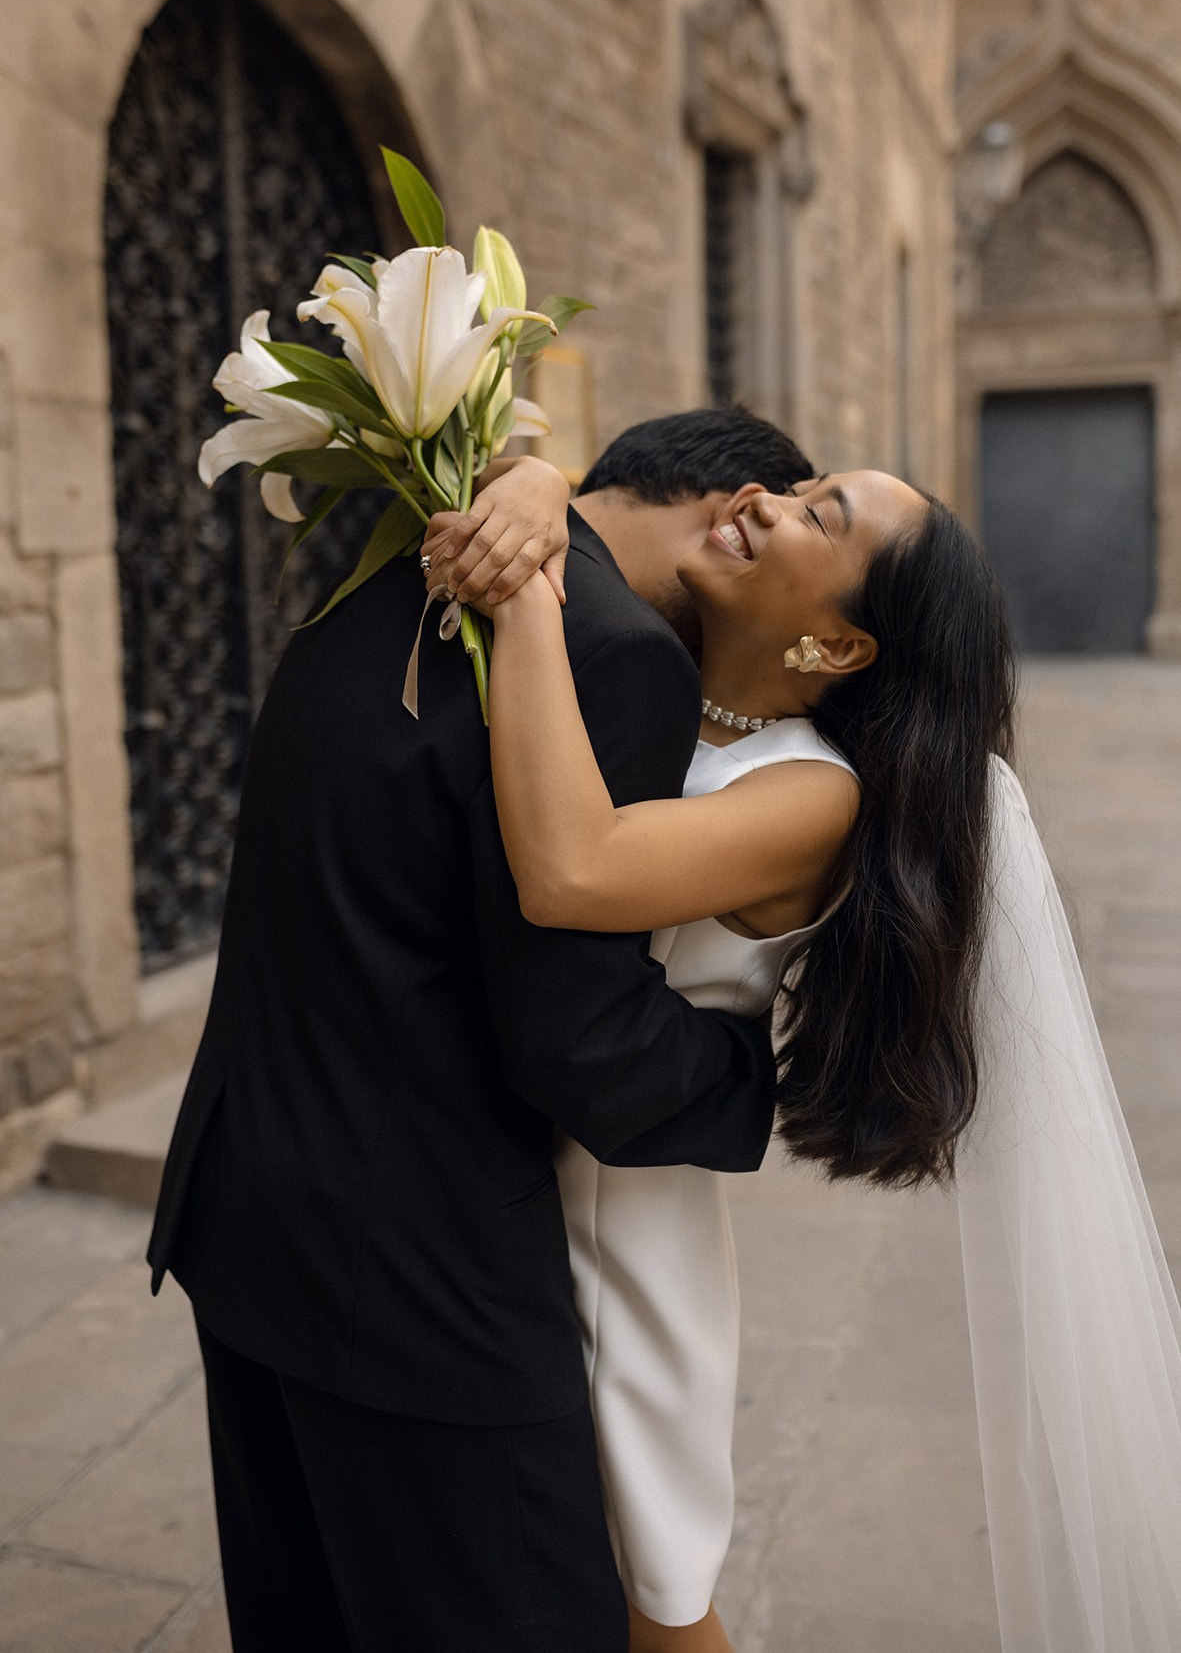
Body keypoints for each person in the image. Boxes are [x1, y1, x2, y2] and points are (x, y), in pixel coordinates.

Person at [426, 448, 1181, 1653]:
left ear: (833, 646)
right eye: (801, 484)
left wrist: (521, 581)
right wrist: (535, 486)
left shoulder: (811, 795)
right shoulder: (654, 678)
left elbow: (572, 870)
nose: (759, 497)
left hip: (622, 1225)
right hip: (509, 1176)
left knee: (653, 1601)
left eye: (813, 513)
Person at [146, 410, 813, 1653]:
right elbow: (579, 1043)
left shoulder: (398, 556)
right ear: (734, 508)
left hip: (245, 1210)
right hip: (423, 1279)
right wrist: (760, 1072)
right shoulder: (612, 651)